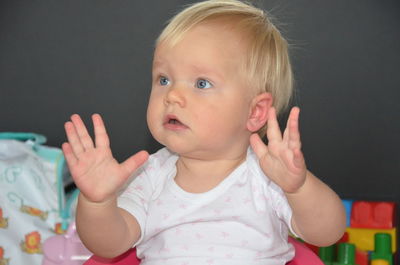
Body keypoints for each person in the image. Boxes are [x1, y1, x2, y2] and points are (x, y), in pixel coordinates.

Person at [62, 0, 346, 264]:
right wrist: (97, 202)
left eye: (201, 84)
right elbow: (109, 245)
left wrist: (298, 187)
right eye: (164, 79)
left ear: (254, 112)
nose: (172, 95)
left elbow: (327, 233)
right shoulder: (149, 176)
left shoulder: (266, 176)